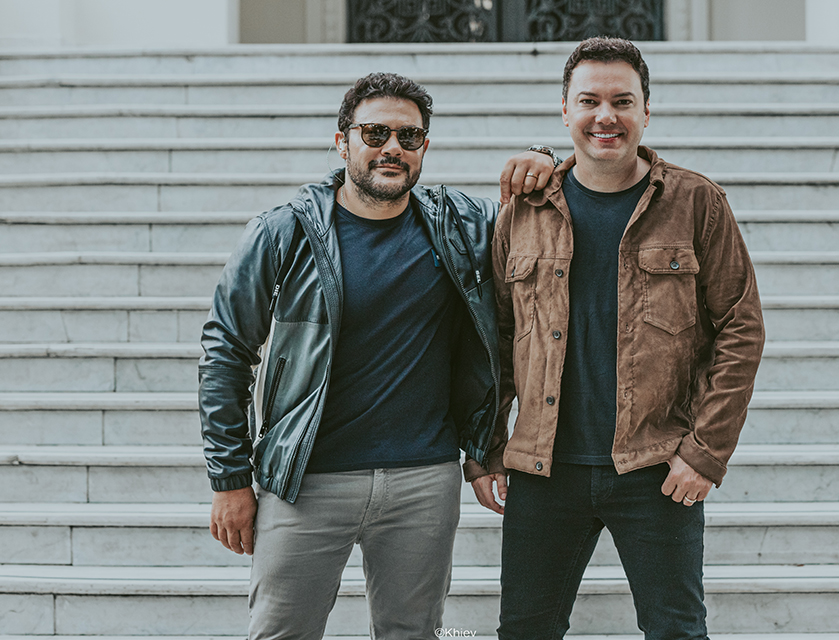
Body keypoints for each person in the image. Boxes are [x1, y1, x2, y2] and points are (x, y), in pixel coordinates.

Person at [198, 72, 553, 640]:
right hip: (307, 480)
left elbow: (550, 219)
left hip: (424, 480)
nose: (392, 147)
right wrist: (229, 478)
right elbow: (226, 351)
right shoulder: (284, 232)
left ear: (424, 148)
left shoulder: (462, 226)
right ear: (342, 141)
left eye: (408, 137)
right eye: (375, 132)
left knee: (411, 633)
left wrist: (541, 157)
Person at [468, 37, 766, 639]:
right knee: (525, 629)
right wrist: (485, 447)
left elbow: (740, 328)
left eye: (622, 101)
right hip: (543, 471)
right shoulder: (521, 210)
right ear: (565, 110)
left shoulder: (696, 202)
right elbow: (494, 337)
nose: (606, 116)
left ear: (646, 112)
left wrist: (705, 451)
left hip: (656, 468)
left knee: (677, 631)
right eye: (590, 101)